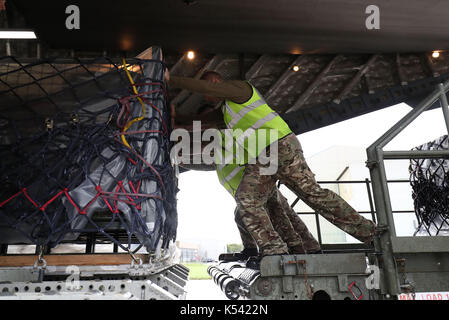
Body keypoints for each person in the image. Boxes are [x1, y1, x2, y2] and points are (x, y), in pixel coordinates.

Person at [168, 70, 376, 257]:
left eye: (208, 90)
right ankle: (275, 249)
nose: (207, 96)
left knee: (312, 195)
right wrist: (176, 121)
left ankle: (370, 232)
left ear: (216, 81)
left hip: (281, 146)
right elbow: (202, 122)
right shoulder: (226, 110)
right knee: (247, 199)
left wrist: (171, 79)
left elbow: (207, 89)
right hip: (264, 156)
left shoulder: (240, 90)